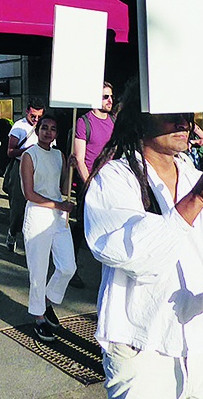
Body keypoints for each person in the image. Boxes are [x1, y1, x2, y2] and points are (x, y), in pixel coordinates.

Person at [84, 86, 203, 398]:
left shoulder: (199, 177)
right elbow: (135, 256)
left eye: (186, 114)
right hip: (143, 345)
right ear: (140, 119)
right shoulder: (113, 178)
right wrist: (196, 201)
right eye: (169, 113)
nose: (183, 122)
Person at [20, 114, 76, 342]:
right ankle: (39, 316)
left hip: (58, 217)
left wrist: (71, 168)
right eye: (45, 128)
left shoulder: (59, 155)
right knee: (39, 270)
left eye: (53, 129)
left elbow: (61, 186)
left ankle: (47, 300)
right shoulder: (29, 155)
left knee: (67, 266)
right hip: (37, 214)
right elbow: (29, 193)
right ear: (37, 129)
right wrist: (59, 204)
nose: (48, 132)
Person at [70, 83, 116, 287]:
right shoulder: (84, 122)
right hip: (88, 182)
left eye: (111, 97)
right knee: (81, 226)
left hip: (111, 183)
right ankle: (71, 268)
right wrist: (89, 183)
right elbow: (79, 157)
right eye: (105, 97)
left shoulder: (114, 121)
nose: (109, 101)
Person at [5, 98, 45, 251]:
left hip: (40, 169)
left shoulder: (44, 127)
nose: (36, 120)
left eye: (39, 117)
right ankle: (13, 231)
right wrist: (29, 151)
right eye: (33, 116)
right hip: (20, 167)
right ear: (27, 111)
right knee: (18, 206)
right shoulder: (19, 127)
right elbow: (10, 152)